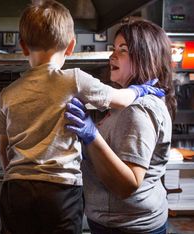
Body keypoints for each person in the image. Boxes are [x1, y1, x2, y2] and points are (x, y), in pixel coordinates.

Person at [0, 1, 164, 234]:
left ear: (22, 46)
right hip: (60, 190)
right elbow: (120, 99)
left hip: (15, 190)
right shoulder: (73, 80)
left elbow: (3, 149)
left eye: (121, 49)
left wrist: (13, 177)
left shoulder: (7, 93)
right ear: (71, 46)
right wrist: (140, 90)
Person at [65, 18, 176, 234]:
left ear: (145, 56)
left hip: (129, 226)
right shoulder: (125, 102)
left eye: (122, 50)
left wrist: (91, 135)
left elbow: (128, 184)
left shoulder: (138, 109)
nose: (112, 56)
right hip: (117, 221)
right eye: (113, 49)